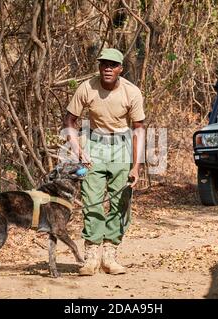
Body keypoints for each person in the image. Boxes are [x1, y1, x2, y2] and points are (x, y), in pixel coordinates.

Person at [63, 48, 145, 276]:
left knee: (121, 200)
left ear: (121, 68)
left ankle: (110, 254)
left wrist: (136, 166)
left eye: (112, 65)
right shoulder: (87, 88)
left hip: (121, 146)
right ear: (99, 67)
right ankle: (91, 255)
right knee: (92, 199)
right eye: (103, 64)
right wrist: (78, 150)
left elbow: (139, 129)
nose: (107, 68)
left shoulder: (132, 92)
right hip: (94, 144)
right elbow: (70, 120)